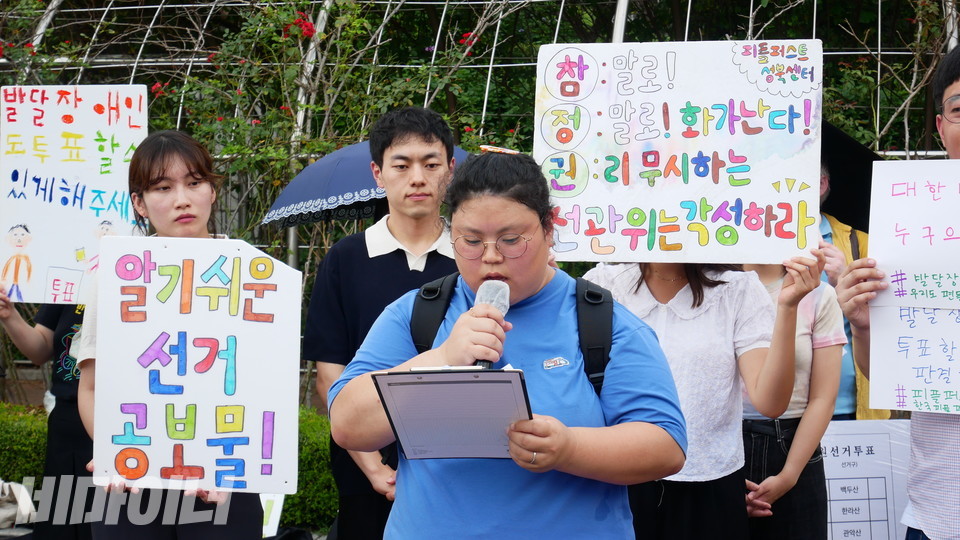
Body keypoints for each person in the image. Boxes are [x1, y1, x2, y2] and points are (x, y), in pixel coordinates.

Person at [328, 152, 688, 539]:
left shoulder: (601, 322)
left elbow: (665, 446)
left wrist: (568, 448)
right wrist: (442, 358)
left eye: (511, 240)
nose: (491, 257)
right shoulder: (417, 314)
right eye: (470, 240)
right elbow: (348, 426)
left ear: (549, 230)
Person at [72, 130, 263, 538]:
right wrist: (119, 453)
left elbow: (265, 393)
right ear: (139, 203)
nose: (182, 199)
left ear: (212, 190)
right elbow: (89, 388)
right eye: (163, 187)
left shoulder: (254, 275)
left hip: (223, 483)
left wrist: (235, 463)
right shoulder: (114, 277)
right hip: (133, 485)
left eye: (194, 183)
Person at [584, 252, 823, 539]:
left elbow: (770, 402)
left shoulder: (738, 288)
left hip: (710, 483)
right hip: (618, 478)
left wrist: (788, 306)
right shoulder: (601, 283)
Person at [304, 106, 459, 539]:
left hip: (458, 465)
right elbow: (330, 372)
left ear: (450, 170)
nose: (417, 178)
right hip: (363, 466)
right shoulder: (346, 258)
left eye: (431, 164)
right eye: (402, 165)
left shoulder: (472, 258)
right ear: (378, 173)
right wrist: (375, 467)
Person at [835, 44, 960, 540]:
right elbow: (882, 372)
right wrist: (864, 325)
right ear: (941, 127)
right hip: (937, 510)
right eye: (959, 109)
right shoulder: (910, 224)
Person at [740, 262, 845, 539]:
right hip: (721, 446)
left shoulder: (819, 294)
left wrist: (789, 475)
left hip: (794, 445)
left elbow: (822, 397)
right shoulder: (711, 288)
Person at [0, 291, 92, 540]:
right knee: (60, 526)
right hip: (67, 422)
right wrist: (9, 315)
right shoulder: (71, 280)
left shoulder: (142, 278)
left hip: (123, 425)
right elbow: (40, 349)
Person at [818, 163, 889, 421]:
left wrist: (844, 277)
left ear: (822, 184)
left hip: (849, 406)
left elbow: (891, 324)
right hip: (780, 409)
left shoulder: (862, 242)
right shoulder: (759, 248)